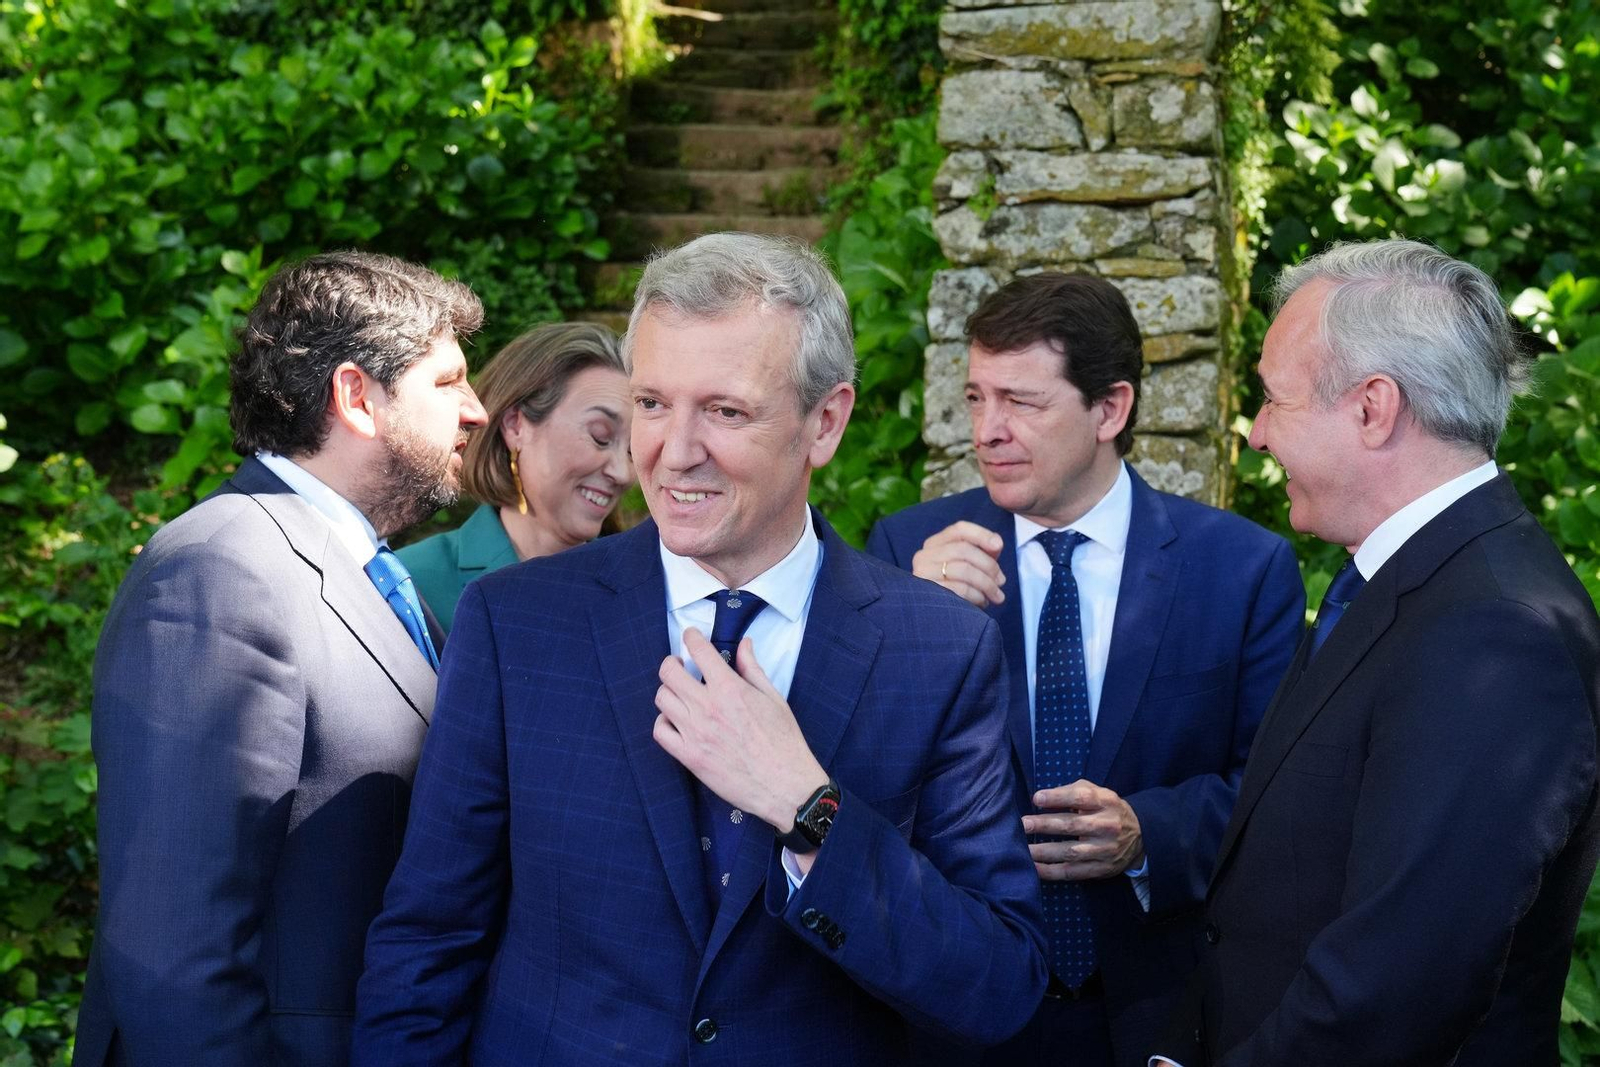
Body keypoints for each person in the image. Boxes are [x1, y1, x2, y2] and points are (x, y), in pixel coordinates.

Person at [351, 232, 1048, 1066]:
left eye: (725, 410)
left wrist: (810, 808)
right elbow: (428, 944)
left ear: (825, 421)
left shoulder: (938, 651)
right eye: (651, 404)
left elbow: (999, 981)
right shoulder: (515, 623)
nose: (672, 451)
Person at [1155, 239, 1600, 1066]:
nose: (1254, 434)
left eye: (1273, 400)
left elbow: (1392, 993)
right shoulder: (1405, 580)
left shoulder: (1498, 631)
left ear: (1373, 407)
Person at [867, 271, 1304, 1067]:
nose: (987, 430)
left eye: (1021, 402)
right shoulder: (907, 555)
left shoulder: (1242, 570)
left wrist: (1149, 837)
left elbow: (1282, 800)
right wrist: (913, 626)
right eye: (975, 398)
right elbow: (855, 786)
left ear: (1111, 409)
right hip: (961, 1017)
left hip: (1161, 1016)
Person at [76, 251, 489, 1067]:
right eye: (448, 382)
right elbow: (174, 945)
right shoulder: (221, 568)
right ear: (356, 397)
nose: (475, 410)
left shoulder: (354, 568)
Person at [398, 321, 633, 633]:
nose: (622, 472)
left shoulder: (645, 587)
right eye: (600, 436)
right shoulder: (412, 584)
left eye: (633, 450)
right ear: (515, 426)